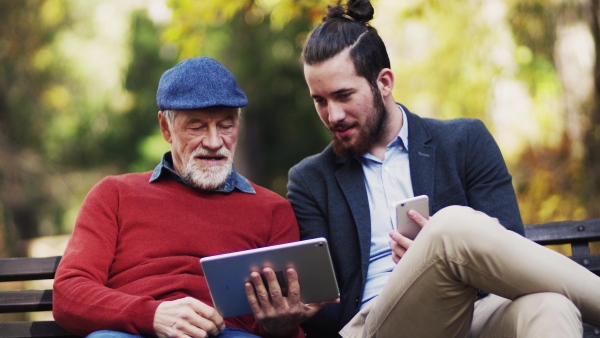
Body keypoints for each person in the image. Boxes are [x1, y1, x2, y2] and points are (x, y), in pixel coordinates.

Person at [245, 0, 600, 337]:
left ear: (384, 82)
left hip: (473, 313)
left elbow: (510, 252)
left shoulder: (465, 141)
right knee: (450, 227)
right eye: (320, 101)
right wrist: (287, 317)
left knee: (552, 306)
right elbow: (324, 311)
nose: (332, 115)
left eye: (343, 96)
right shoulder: (310, 180)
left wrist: (437, 259)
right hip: (372, 325)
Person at [52, 56, 304, 338]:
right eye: (196, 126)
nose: (213, 142)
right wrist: (153, 315)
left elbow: (284, 323)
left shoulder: (273, 210)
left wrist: (283, 325)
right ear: (165, 127)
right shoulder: (114, 195)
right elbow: (68, 294)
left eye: (226, 125)